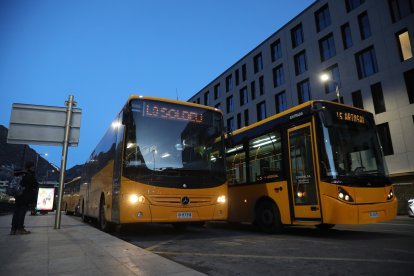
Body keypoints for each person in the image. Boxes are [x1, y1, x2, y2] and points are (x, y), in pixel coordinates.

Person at [10, 161, 39, 235]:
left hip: (18, 196)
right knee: (22, 213)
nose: (33, 168)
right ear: (30, 167)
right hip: (25, 197)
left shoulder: (20, 174)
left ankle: (13, 229)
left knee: (16, 212)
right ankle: (20, 228)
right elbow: (35, 185)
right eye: (33, 167)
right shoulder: (29, 175)